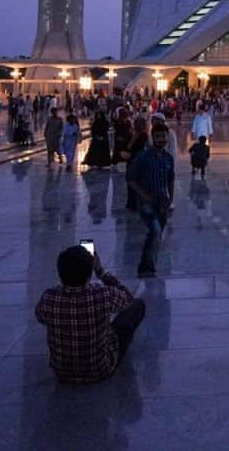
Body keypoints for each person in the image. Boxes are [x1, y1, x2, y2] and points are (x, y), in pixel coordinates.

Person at [35, 244, 146, 382]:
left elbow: (40, 317)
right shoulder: (102, 294)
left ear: (60, 272)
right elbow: (128, 298)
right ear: (89, 273)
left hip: (61, 372)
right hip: (100, 369)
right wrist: (100, 271)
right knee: (137, 306)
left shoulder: (49, 297)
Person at [127, 124, 175, 276]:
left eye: (163, 136)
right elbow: (131, 179)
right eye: (158, 136)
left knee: (157, 234)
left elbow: (171, 180)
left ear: (167, 137)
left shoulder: (168, 158)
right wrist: (143, 195)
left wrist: (170, 199)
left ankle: (149, 267)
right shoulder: (143, 156)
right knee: (155, 231)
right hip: (147, 203)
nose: (161, 139)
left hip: (162, 202)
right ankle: (146, 267)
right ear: (152, 138)